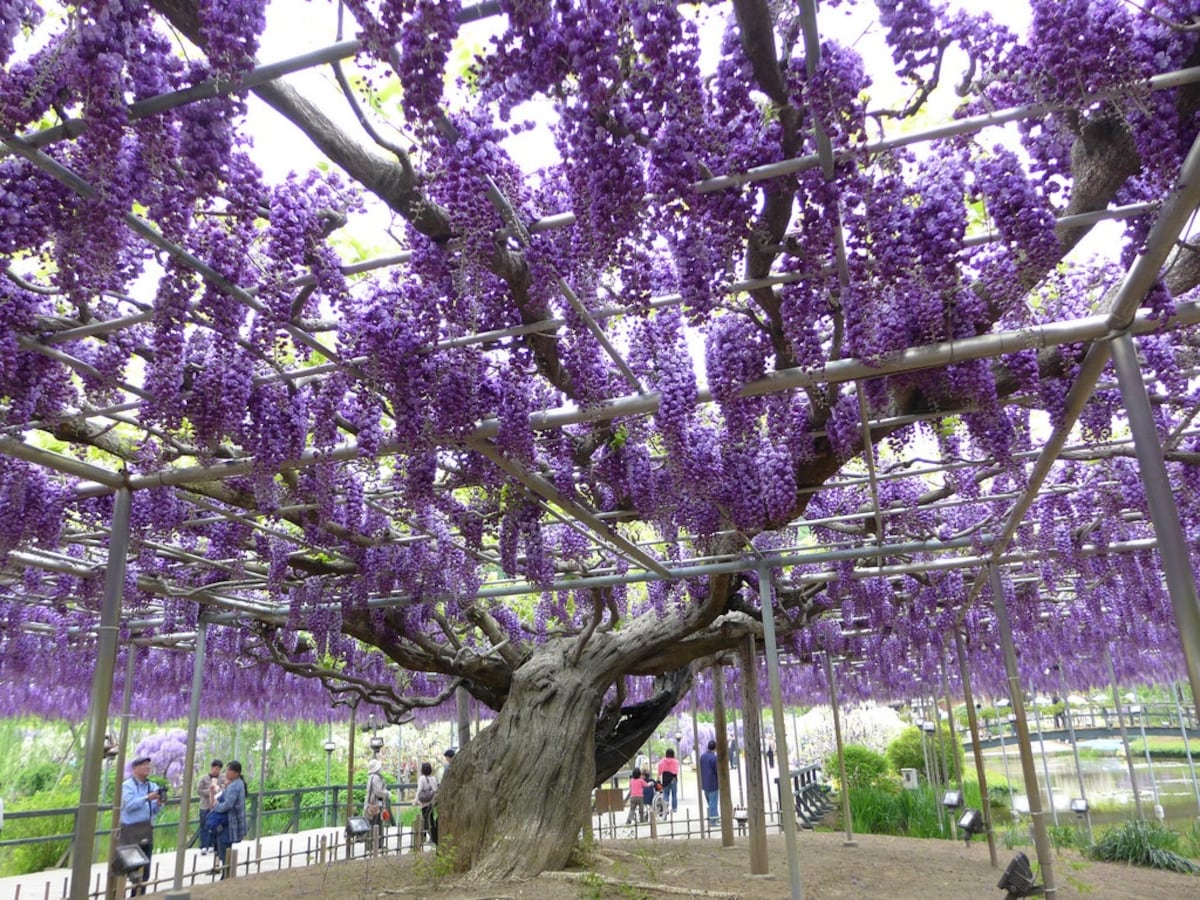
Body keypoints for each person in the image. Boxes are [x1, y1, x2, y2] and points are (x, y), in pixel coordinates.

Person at [118, 755, 164, 895]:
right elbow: (129, 805)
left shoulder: (152, 786)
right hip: (130, 831)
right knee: (131, 869)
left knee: (145, 870)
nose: (147, 768)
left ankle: (139, 896)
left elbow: (154, 810)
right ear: (134, 768)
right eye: (144, 765)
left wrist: (160, 803)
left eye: (148, 765)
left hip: (146, 829)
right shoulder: (127, 786)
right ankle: (120, 894)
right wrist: (146, 798)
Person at [210, 761, 246, 879]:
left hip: (228, 822)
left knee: (224, 847)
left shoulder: (235, 785)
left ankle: (226, 873)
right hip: (228, 821)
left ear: (235, 772)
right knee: (223, 847)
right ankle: (226, 872)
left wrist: (216, 805)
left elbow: (228, 804)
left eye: (228, 770)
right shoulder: (236, 783)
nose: (226, 772)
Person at [196, 759, 225, 855]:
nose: (217, 770)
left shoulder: (223, 778)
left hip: (216, 805)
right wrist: (209, 791)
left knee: (215, 826)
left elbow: (225, 788)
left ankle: (213, 844)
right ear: (212, 768)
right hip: (205, 805)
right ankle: (204, 845)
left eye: (219, 769)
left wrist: (218, 789)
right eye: (215, 768)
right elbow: (199, 790)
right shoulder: (204, 778)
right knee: (204, 825)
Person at [365, 758, 389, 838]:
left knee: (372, 823)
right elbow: (378, 792)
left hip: (370, 803)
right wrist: (386, 793)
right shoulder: (376, 777)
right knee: (377, 823)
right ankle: (377, 843)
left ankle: (371, 842)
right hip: (376, 803)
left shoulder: (371, 777)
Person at [417, 761, 439, 846]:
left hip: (424, 802)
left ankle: (425, 835)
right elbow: (435, 789)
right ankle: (431, 835)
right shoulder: (433, 778)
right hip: (432, 801)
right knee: (430, 818)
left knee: (425, 818)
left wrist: (416, 800)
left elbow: (419, 790)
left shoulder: (422, 778)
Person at [700, 740, 720, 826]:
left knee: (710, 802)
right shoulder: (714, 758)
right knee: (713, 802)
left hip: (705, 782)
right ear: (715, 748)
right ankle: (713, 820)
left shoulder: (702, 757)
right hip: (713, 783)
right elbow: (717, 770)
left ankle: (715, 817)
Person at [657, 747, 680, 813]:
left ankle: (665, 808)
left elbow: (659, 770)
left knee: (666, 794)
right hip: (673, 779)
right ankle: (674, 808)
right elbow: (676, 771)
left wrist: (658, 776)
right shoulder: (676, 761)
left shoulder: (662, 761)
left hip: (665, 778)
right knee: (674, 794)